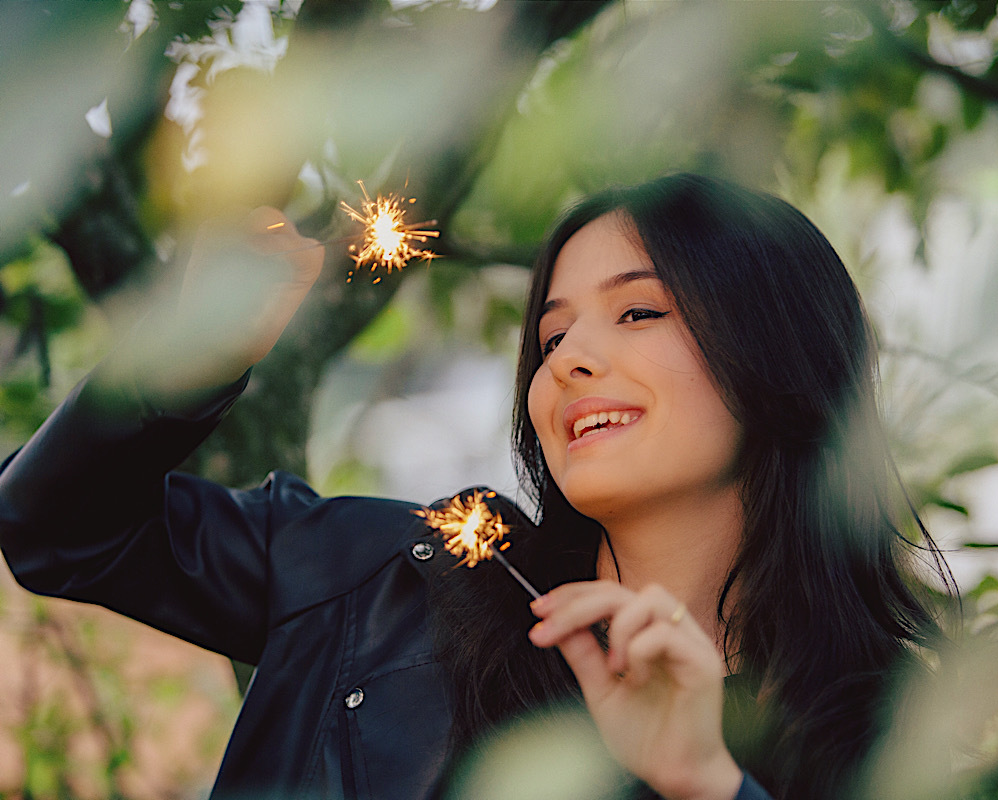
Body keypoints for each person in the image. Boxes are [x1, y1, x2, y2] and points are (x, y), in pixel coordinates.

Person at [0, 174, 948, 800]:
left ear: (779, 350)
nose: (572, 358)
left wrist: (706, 782)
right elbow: (59, 528)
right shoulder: (394, 575)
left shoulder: (888, 727)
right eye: (552, 335)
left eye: (639, 309)